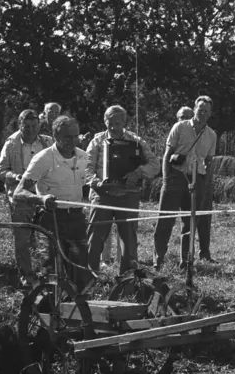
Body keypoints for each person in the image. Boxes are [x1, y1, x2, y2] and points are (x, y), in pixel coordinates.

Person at [14, 115, 91, 287]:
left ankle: (78, 309)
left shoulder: (84, 157)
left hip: (76, 219)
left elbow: (90, 184)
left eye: (76, 136)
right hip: (50, 220)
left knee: (79, 270)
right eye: (67, 137)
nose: (73, 141)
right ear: (55, 136)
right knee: (50, 271)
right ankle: (48, 310)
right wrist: (40, 198)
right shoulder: (43, 158)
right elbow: (18, 193)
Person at [85, 105, 159, 275]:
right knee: (95, 237)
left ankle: (128, 279)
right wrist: (97, 183)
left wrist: (138, 172)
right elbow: (86, 169)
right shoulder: (96, 142)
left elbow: (154, 165)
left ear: (124, 122)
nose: (114, 127)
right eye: (110, 123)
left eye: (118, 123)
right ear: (105, 122)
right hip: (102, 195)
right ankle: (90, 276)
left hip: (128, 196)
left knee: (129, 239)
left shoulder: (137, 141)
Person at [154, 96, 218, 269]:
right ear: (194, 108)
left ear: (210, 113)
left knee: (190, 223)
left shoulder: (212, 135)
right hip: (176, 177)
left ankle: (186, 260)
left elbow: (210, 161)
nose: (202, 113)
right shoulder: (180, 127)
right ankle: (158, 259)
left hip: (197, 180)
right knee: (165, 220)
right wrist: (166, 179)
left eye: (206, 111)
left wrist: (206, 183)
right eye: (200, 109)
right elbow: (167, 155)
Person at [0, 109, 52, 282]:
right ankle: (26, 275)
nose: (30, 129)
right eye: (26, 126)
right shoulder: (11, 143)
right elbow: (0, 171)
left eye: (34, 125)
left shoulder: (48, 142)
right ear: (19, 125)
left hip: (44, 195)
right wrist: (16, 177)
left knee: (47, 237)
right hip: (20, 195)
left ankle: (48, 274)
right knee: (21, 238)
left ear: (39, 125)